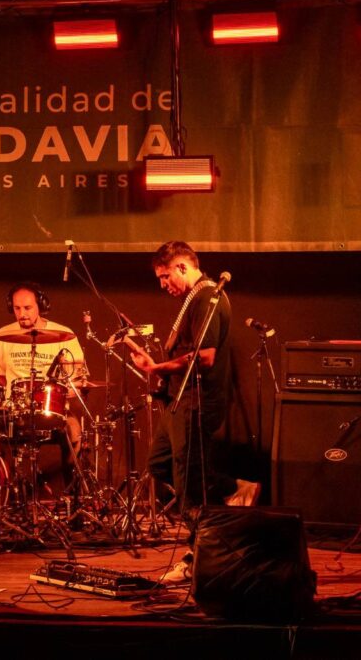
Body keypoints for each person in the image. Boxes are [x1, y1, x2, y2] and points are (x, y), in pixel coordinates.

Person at [127, 241, 259, 582]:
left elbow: (206, 357)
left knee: (188, 483)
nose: (163, 285)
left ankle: (197, 556)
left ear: (183, 267)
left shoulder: (208, 297)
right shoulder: (194, 298)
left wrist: (159, 368)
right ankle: (232, 487)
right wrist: (156, 367)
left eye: (165, 276)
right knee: (159, 463)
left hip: (198, 401)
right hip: (180, 399)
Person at [0, 282, 88, 484]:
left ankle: (72, 493)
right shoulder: (3, 335)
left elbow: (80, 379)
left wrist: (68, 392)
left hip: (52, 410)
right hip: (14, 412)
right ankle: (4, 490)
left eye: (27, 308)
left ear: (41, 306)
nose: (22, 314)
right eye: (17, 308)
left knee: (75, 433)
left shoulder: (64, 335)